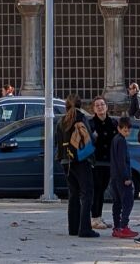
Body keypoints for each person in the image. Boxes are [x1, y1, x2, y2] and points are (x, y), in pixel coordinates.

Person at [57, 94, 99, 238]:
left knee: (73, 194)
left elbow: (57, 141)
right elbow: (89, 139)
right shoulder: (81, 118)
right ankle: (85, 228)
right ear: (81, 105)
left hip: (65, 160)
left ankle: (73, 228)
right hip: (81, 160)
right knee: (87, 193)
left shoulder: (61, 121)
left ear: (66, 106)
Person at [88, 96, 117, 230]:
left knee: (103, 189)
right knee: (97, 190)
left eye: (102, 104)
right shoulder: (91, 124)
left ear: (106, 107)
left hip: (109, 162)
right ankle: (94, 218)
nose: (100, 107)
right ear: (94, 109)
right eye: (97, 105)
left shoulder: (113, 123)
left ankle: (98, 217)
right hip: (96, 162)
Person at [109, 116, 137, 239]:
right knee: (127, 201)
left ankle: (117, 227)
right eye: (125, 130)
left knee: (117, 203)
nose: (127, 132)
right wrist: (126, 177)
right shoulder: (121, 141)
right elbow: (121, 161)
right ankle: (123, 226)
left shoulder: (115, 139)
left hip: (114, 176)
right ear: (119, 129)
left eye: (128, 130)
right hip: (121, 177)